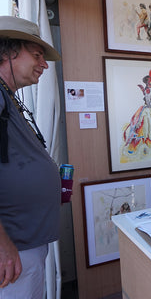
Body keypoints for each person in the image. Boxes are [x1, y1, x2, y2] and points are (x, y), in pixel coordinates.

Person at [0, 16, 62, 298]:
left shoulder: (9, 98)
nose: (45, 64)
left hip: (25, 240)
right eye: (37, 55)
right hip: (13, 247)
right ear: (7, 51)